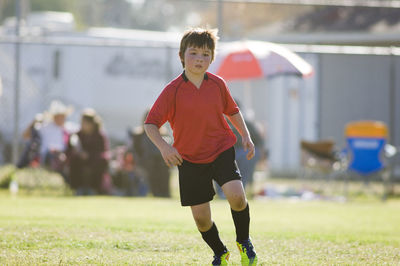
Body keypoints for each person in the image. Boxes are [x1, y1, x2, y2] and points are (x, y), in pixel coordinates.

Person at [144, 28, 257, 265]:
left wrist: (245, 136)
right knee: (202, 219)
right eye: (193, 53)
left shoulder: (217, 84)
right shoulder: (172, 91)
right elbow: (151, 124)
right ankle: (220, 252)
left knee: (237, 196)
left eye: (206, 54)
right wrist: (165, 147)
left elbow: (233, 111)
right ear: (182, 55)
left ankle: (244, 242)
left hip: (220, 150)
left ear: (212, 58)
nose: (199, 59)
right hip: (189, 158)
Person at [21, 100, 72, 180]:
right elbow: (25, 135)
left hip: (63, 155)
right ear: (54, 117)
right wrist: (34, 121)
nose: (62, 118)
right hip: (48, 155)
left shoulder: (68, 128)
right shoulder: (45, 127)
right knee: (57, 159)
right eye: (59, 116)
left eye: (63, 116)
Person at [67, 108, 109, 195]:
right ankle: (78, 188)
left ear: (91, 124)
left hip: (95, 161)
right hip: (79, 162)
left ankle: (94, 189)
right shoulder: (77, 135)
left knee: (100, 163)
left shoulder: (99, 136)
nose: (82, 125)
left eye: (84, 122)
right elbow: (69, 149)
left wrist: (89, 155)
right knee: (74, 163)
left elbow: (103, 152)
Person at [132, 110, 171, 197]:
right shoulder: (138, 135)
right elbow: (136, 152)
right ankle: (156, 192)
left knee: (162, 166)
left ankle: (164, 193)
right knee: (153, 166)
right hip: (146, 163)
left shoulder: (164, 135)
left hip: (161, 164)